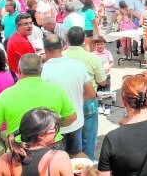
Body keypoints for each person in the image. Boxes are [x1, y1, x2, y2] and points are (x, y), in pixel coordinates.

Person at [0, 54, 76, 142]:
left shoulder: (6, 95)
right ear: (41, 70)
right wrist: (52, 126)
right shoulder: (57, 90)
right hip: (51, 145)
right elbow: (71, 117)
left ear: (19, 70)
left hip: (20, 148)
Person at [41, 34, 96, 157]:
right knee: (75, 156)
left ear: (45, 50)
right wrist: (76, 102)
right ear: (62, 47)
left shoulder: (42, 71)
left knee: (56, 161)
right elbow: (91, 93)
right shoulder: (78, 65)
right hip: (75, 121)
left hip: (52, 127)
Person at [62, 27, 107, 160]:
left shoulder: (61, 57)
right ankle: (87, 167)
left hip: (67, 99)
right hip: (88, 100)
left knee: (70, 139)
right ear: (83, 40)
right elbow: (103, 81)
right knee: (88, 138)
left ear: (67, 40)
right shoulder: (91, 58)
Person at [0, 108, 74, 176]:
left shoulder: (6, 159)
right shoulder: (59, 157)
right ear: (41, 135)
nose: (57, 131)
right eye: (55, 128)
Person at [93, 36, 114, 116]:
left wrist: (108, 67)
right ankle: (100, 106)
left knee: (107, 91)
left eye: (101, 44)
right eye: (98, 44)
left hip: (106, 75)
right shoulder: (93, 54)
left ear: (104, 44)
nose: (100, 46)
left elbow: (112, 62)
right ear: (95, 45)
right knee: (98, 91)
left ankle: (108, 107)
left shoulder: (107, 53)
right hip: (97, 76)